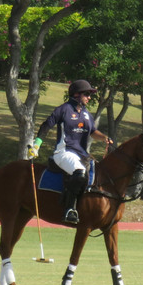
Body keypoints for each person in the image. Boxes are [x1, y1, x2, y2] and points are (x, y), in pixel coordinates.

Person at [32, 79, 113, 224]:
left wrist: (104, 138)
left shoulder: (87, 114)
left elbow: (93, 132)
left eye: (90, 94)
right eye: (87, 94)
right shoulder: (63, 109)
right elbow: (46, 125)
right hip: (63, 152)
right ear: (76, 94)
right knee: (79, 172)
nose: (89, 97)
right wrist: (37, 144)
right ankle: (69, 209)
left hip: (81, 154)